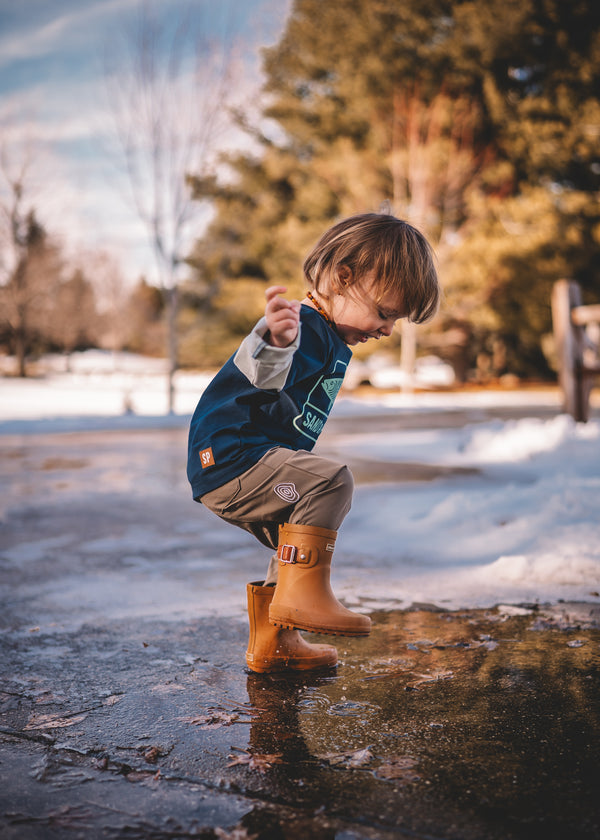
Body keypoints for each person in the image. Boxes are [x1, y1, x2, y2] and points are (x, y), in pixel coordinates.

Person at [187, 212, 440, 674]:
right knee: (328, 482)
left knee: (295, 532)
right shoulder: (302, 326)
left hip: (234, 464)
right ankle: (302, 600)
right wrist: (277, 341)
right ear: (343, 278)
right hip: (232, 457)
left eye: (395, 320)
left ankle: (275, 644)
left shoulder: (327, 335)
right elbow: (263, 372)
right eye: (385, 313)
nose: (387, 329)